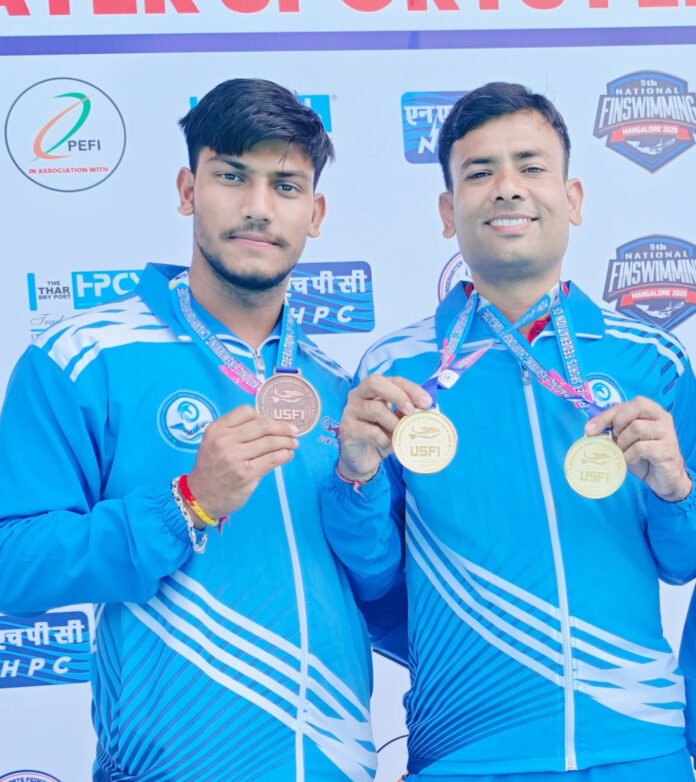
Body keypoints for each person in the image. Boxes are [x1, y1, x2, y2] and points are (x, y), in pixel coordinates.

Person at [0, 78, 383, 781]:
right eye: (232, 177)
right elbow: (11, 560)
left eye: (286, 186)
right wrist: (184, 504)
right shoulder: (83, 357)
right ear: (187, 189)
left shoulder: (338, 387)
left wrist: (362, 487)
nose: (258, 208)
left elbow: (381, 597)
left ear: (316, 212)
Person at [321, 82, 696, 781]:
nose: (507, 188)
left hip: (640, 749)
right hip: (466, 755)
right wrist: (356, 478)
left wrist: (677, 489)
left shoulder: (652, 360)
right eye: (479, 172)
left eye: (530, 166)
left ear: (573, 197)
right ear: (447, 210)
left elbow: (682, 561)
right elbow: (374, 578)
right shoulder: (394, 372)